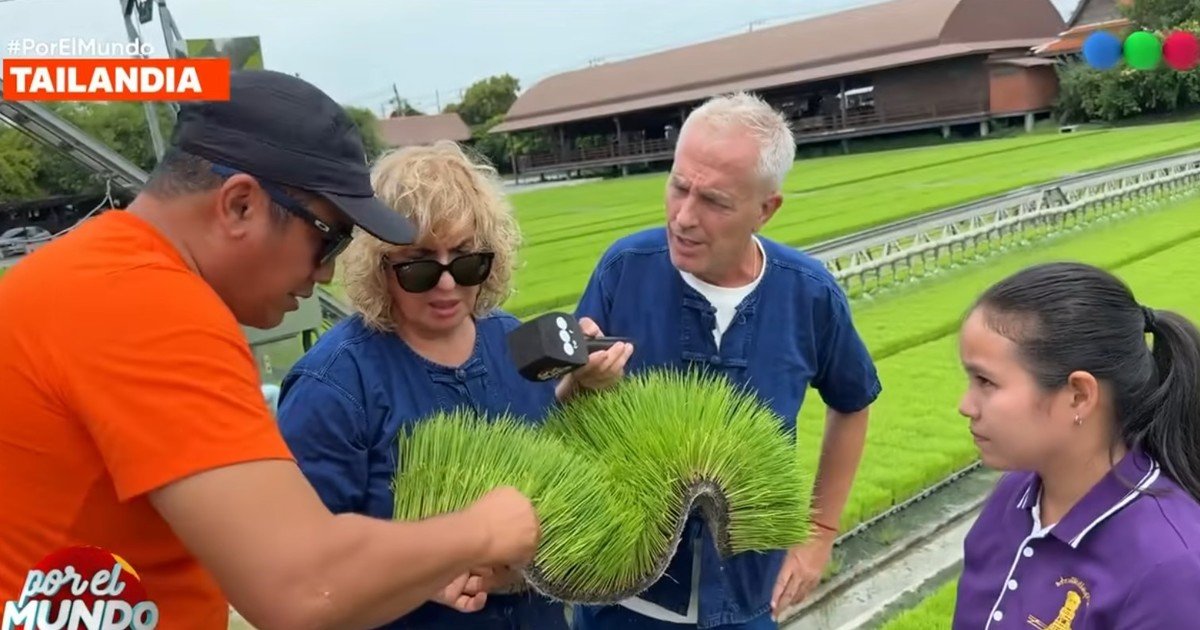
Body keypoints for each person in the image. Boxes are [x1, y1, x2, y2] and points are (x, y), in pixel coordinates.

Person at [0, 70, 542, 630]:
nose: (326, 272)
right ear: (240, 205)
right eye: (327, 237)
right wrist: (483, 528)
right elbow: (303, 588)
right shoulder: (147, 307)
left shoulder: (91, 274)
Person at [274, 140, 633, 629]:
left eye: (466, 262)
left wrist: (582, 387)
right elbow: (302, 573)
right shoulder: (332, 386)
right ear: (380, 267)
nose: (447, 284)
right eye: (419, 265)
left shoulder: (514, 339)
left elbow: (551, 457)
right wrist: (420, 574)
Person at [570, 92, 882, 629]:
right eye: (678, 187)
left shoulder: (808, 294)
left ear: (766, 209)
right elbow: (556, 413)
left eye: (714, 201)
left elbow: (853, 402)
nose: (684, 217)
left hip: (746, 596)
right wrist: (580, 382)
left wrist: (820, 534)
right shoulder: (624, 270)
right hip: (619, 597)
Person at [952, 261, 1200, 629]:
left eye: (986, 382)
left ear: (1079, 396)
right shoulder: (1013, 496)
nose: (966, 405)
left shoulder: (1168, 569)